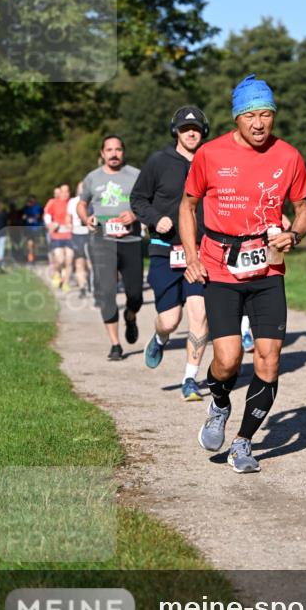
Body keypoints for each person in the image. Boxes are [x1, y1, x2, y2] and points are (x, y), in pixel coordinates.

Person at [180, 74, 306, 474]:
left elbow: (304, 210)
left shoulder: (288, 156)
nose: (259, 123)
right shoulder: (210, 154)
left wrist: (293, 233)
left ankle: (243, 442)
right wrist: (191, 254)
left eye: (266, 114)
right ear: (236, 117)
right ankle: (219, 402)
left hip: (268, 266)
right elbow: (187, 206)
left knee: (269, 361)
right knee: (228, 358)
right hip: (220, 266)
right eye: (251, 115)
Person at [131, 106, 210, 401]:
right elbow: (138, 199)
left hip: (200, 252)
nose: (191, 133)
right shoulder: (158, 162)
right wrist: (154, 219)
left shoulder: (211, 160)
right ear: (175, 131)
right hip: (165, 250)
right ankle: (160, 337)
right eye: (185, 128)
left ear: (204, 132)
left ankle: (190, 379)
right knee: (170, 320)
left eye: (196, 129)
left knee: (199, 314)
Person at [77, 135, 142, 360]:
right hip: (102, 240)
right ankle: (115, 344)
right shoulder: (92, 178)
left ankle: (131, 316)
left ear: (123, 152)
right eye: (109, 150)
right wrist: (86, 218)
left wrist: (134, 214)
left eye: (118, 150)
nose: (114, 154)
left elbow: (148, 202)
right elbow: (81, 203)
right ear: (102, 153)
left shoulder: (136, 175)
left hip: (131, 240)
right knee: (106, 292)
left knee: (135, 294)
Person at [43, 184, 74, 291]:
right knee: (60, 260)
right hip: (56, 235)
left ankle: (66, 282)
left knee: (69, 260)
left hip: (69, 235)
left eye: (67, 191)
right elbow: (47, 215)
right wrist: (51, 224)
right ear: (59, 193)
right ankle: (56, 274)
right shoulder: (53, 202)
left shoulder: (72, 202)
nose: (65, 194)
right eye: (63, 192)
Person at [68, 182, 91, 299]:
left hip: (90, 234)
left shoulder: (92, 200)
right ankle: (82, 287)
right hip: (77, 234)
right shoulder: (72, 202)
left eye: (84, 187)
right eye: (80, 188)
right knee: (79, 262)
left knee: (90, 264)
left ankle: (92, 283)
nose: (82, 190)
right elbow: (68, 218)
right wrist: (68, 226)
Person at [22, 194, 44, 263]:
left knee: (34, 243)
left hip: (35, 228)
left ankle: (33, 255)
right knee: (29, 242)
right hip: (28, 228)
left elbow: (38, 216)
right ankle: (30, 256)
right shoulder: (26, 208)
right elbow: (24, 217)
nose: (31, 202)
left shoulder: (37, 207)